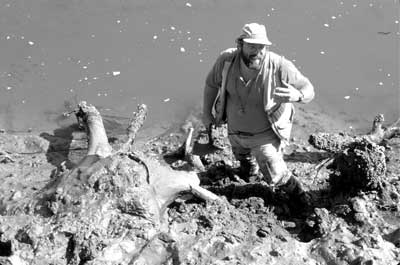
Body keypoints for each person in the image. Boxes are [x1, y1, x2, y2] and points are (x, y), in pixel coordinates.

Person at [202, 22, 315, 205]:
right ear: (240, 44)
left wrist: (298, 95)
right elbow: (211, 84)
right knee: (243, 158)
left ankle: (302, 200)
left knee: (275, 172)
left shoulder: (278, 65)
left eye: (261, 47)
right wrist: (206, 113)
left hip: (265, 136)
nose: (258, 51)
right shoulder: (227, 60)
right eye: (252, 46)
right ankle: (249, 173)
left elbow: (308, 88)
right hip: (235, 132)